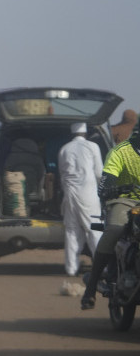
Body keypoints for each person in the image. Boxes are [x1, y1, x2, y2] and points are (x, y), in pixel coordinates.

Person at [80, 123, 140, 310]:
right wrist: (116, 188)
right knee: (115, 229)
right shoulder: (120, 152)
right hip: (124, 201)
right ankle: (91, 288)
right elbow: (104, 185)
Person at [57, 122, 103, 277]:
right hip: (88, 194)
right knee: (94, 230)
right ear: (86, 133)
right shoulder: (92, 147)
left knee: (72, 231)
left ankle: (71, 269)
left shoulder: (64, 149)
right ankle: (102, 268)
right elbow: (99, 174)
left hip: (69, 194)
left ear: (72, 133)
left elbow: (61, 174)